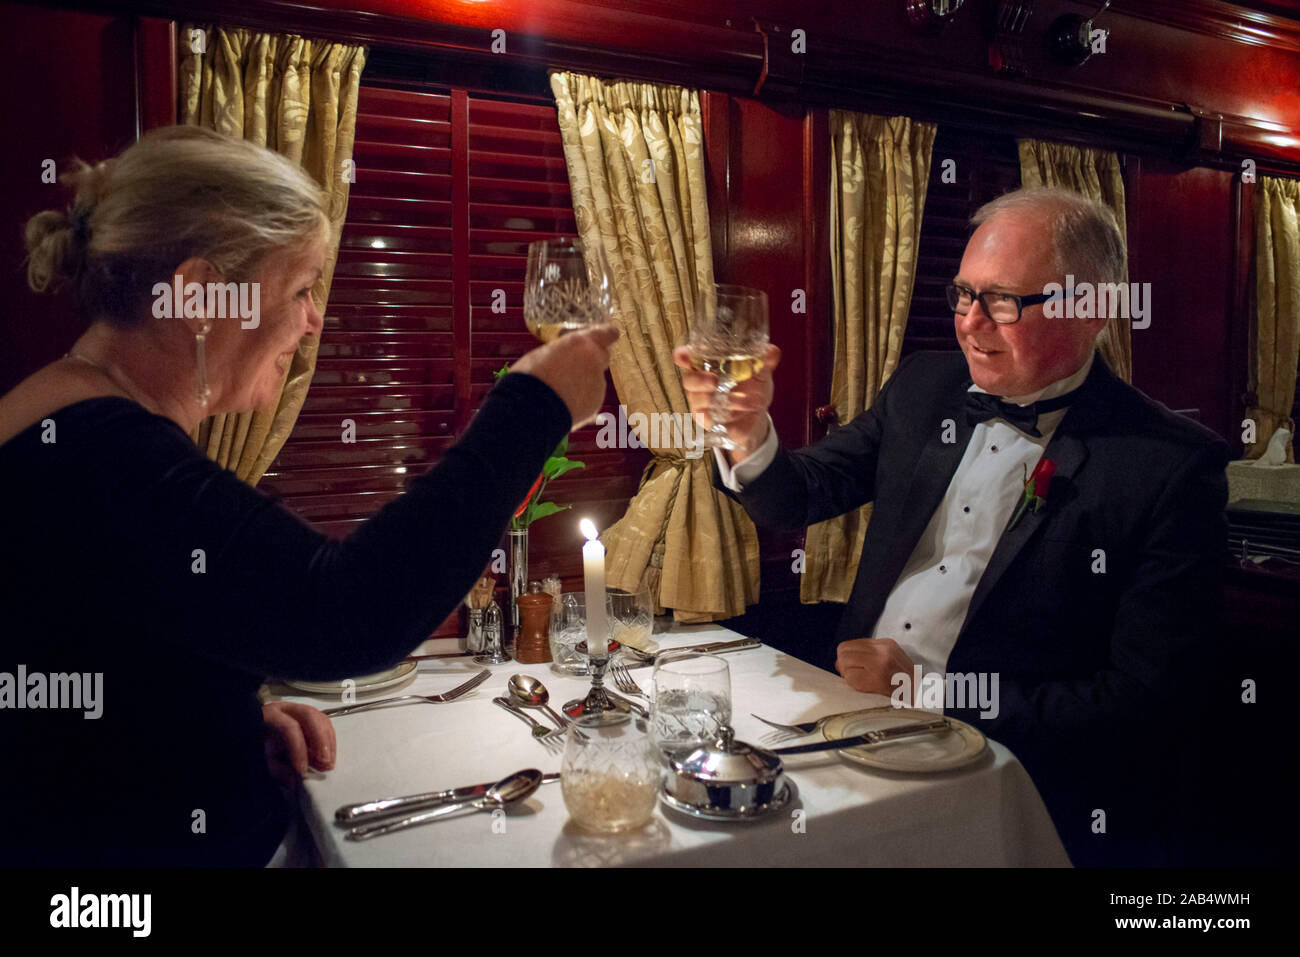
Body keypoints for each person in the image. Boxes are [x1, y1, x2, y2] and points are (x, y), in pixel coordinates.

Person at [0, 125, 617, 866]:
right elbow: (347, 609)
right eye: (299, 288)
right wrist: (534, 405)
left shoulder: (71, 415)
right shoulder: (101, 450)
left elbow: (99, 686)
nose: (313, 318)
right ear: (197, 294)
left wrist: (223, 715)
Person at [675, 187, 1228, 866]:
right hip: (844, 727)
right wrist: (746, 432)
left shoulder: (1168, 465)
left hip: (1009, 777)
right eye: (963, 293)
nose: (970, 322)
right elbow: (803, 493)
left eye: (1003, 301)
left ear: (1095, 311)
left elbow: (1142, 703)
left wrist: (931, 690)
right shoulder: (924, 385)